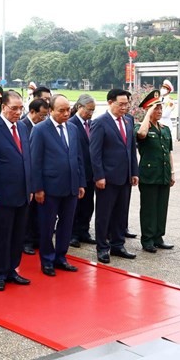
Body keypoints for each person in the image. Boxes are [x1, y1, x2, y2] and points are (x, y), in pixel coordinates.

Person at [0, 90, 32, 291]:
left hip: (23, 193)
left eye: (21, 108)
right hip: (1, 194)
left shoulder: (23, 128)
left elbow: (27, 159)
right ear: (3, 107)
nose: (18, 112)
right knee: (2, 235)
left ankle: (12, 270)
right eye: (14, 108)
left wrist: (31, 187)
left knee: (18, 235)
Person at [30, 94, 85, 276]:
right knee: (47, 225)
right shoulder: (40, 130)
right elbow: (35, 162)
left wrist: (80, 182)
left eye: (68, 109)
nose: (66, 113)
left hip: (71, 186)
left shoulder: (73, 129)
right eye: (61, 110)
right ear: (51, 111)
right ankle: (47, 260)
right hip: (49, 187)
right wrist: (37, 188)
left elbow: (78, 158)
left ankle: (61, 257)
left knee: (67, 224)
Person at [89, 89, 139, 264]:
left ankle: (118, 245)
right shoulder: (100, 123)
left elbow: (131, 149)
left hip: (125, 176)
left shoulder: (128, 121)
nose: (125, 107)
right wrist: (99, 176)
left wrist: (134, 172)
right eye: (121, 104)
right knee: (104, 214)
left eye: (127, 104)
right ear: (110, 102)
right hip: (107, 179)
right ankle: (102, 248)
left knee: (121, 212)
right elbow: (94, 153)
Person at [134, 91, 175, 253]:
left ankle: (158, 236)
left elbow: (169, 152)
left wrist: (172, 172)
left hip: (163, 173)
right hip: (149, 175)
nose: (159, 111)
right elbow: (142, 134)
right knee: (149, 208)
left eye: (160, 108)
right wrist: (147, 116)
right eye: (155, 109)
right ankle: (147, 239)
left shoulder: (164, 129)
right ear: (148, 110)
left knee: (161, 206)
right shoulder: (141, 126)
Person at [21, 98, 50, 255]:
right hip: (26, 176)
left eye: (46, 115)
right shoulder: (22, 126)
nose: (44, 118)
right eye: (42, 114)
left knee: (40, 211)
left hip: (41, 175)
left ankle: (38, 238)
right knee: (28, 212)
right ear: (32, 112)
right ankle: (26, 241)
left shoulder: (44, 127)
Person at [69, 94, 96, 247]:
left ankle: (84, 231)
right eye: (89, 110)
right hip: (78, 171)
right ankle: (73, 234)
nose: (91, 113)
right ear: (79, 107)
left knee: (88, 204)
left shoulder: (91, 124)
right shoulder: (71, 124)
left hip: (90, 171)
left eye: (93, 110)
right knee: (76, 205)